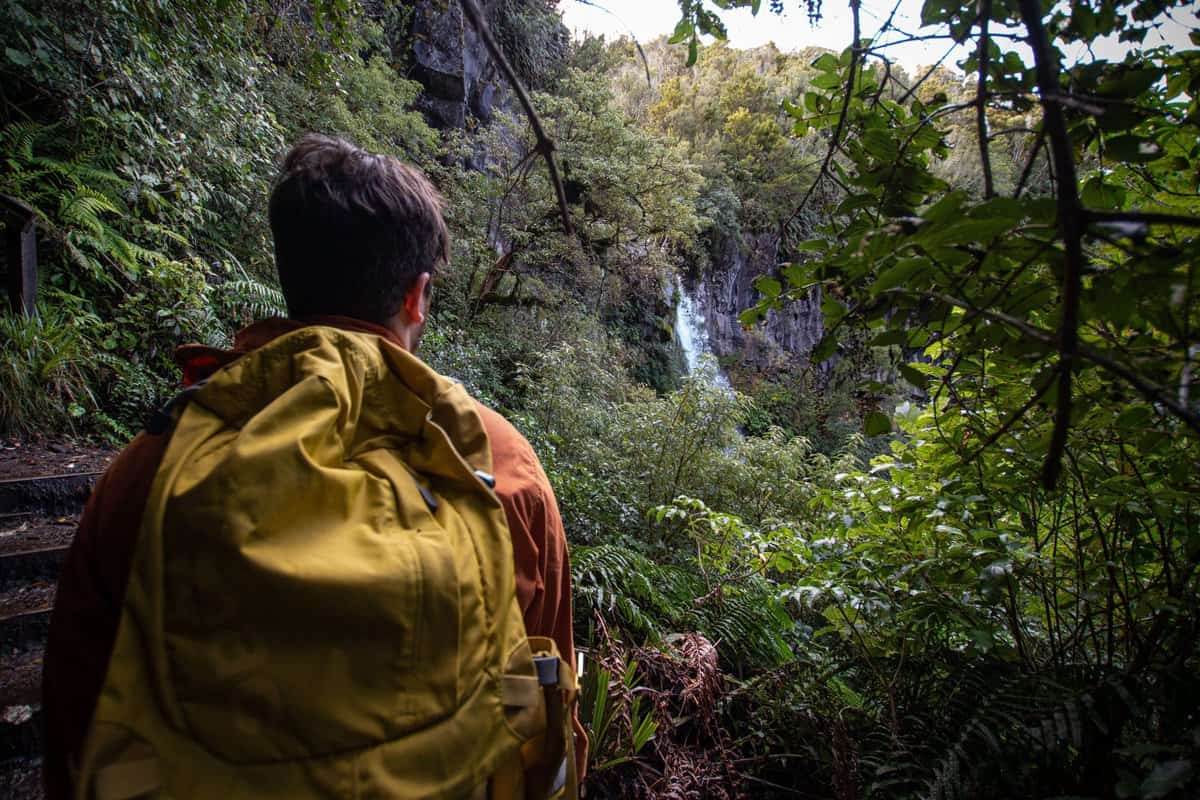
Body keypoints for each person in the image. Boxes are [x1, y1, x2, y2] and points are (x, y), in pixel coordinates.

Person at [42, 133, 586, 798]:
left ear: (290, 276)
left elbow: (78, 710)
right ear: (417, 296)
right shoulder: (500, 465)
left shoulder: (160, 464)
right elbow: (545, 714)